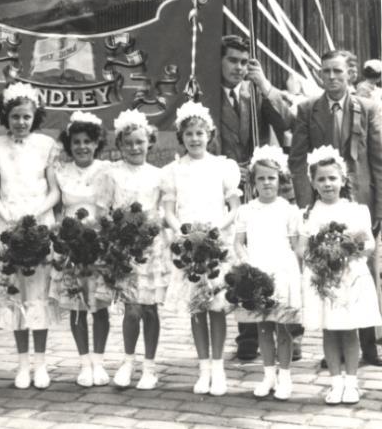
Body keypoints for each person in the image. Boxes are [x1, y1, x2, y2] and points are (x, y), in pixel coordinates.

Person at [289, 48, 382, 365]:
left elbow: (377, 161)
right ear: (319, 74)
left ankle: (368, 348)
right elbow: (298, 159)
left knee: (364, 272)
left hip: (359, 203)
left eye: (337, 72)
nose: (331, 77)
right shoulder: (308, 109)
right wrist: (306, 204)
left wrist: (378, 209)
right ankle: (334, 348)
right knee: (326, 270)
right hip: (323, 203)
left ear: (350, 75)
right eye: (326, 71)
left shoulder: (367, 108)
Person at [217, 34, 294, 361]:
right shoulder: (205, 91)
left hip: (262, 187)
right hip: (226, 189)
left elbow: (287, 121)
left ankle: (290, 331)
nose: (238, 68)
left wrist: (263, 84)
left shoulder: (254, 92)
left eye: (243, 62)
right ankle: (248, 332)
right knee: (240, 258)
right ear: (220, 61)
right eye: (232, 60)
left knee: (275, 255)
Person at [164, 101, 241, 396]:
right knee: (197, 307)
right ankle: (203, 368)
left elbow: (234, 207)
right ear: (181, 137)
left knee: (216, 307)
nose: (195, 139)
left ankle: (219, 368)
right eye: (189, 134)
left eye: (200, 133)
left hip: (215, 242)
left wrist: (214, 231)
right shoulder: (173, 171)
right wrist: (184, 232)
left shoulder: (222, 166)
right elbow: (169, 210)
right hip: (188, 245)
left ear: (209, 134)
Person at [0, 82, 60, 390]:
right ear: (6, 116)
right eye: (15, 116)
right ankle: (22, 363)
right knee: (16, 293)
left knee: (38, 294)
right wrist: (8, 218)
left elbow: (54, 190)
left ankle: (41, 363)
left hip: (39, 225)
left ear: (35, 116)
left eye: (26, 116)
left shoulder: (45, 145)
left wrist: (38, 216)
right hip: (8, 227)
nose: (20, 122)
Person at [299, 146, 382, 404]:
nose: (327, 184)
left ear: (343, 180)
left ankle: (351, 383)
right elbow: (302, 248)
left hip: (349, 279)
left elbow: (369, 244)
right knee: (329, 331)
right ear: (313, 183)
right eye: (321, 179)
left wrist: (347, 250)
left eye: (332, 178)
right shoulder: (309, 213)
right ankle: (335, 383)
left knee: (348, 331)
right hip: (323, 279)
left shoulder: (356, 210)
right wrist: (320, 255)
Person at [100, 109, 168, 391]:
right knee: (132, 309)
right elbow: (104, 211)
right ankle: (128, 361)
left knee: (149, 309)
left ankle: (149, 367)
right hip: (124, 249)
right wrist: (116, 235)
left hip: (151, 249)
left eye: (140, 142)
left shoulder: (158, 175)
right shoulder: (112, 173)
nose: (134, 148)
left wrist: (150, 226)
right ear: (119, 146)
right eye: (128, 143)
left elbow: (163, 211)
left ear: (149, 142)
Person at [233, 145, 301, 400]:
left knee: (283, 328)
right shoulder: (247, 210)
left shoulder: (288, 210)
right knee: (262, 327)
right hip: (258, 272)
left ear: (280, 179)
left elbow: (296, 246)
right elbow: (238, 242)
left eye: (271, 177)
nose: (266, 183)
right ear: (253, 182)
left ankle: (285, 375)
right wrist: (246, 264)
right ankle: (268, 374)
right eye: (260, 178)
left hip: (282, 272)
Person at [49, 111, 111, 387]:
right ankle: (84, 363)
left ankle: (99, 361)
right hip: (71, 245)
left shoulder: (106, 171)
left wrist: (97, 234)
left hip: (97, 244)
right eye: (76, 142)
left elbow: (109, 211)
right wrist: (65, 238)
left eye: (87, 141)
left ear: (96, 143)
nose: (82, 147)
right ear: (69, 144)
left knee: (98, 306)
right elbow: (58, 209)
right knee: (76, 306)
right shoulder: (62, 172)